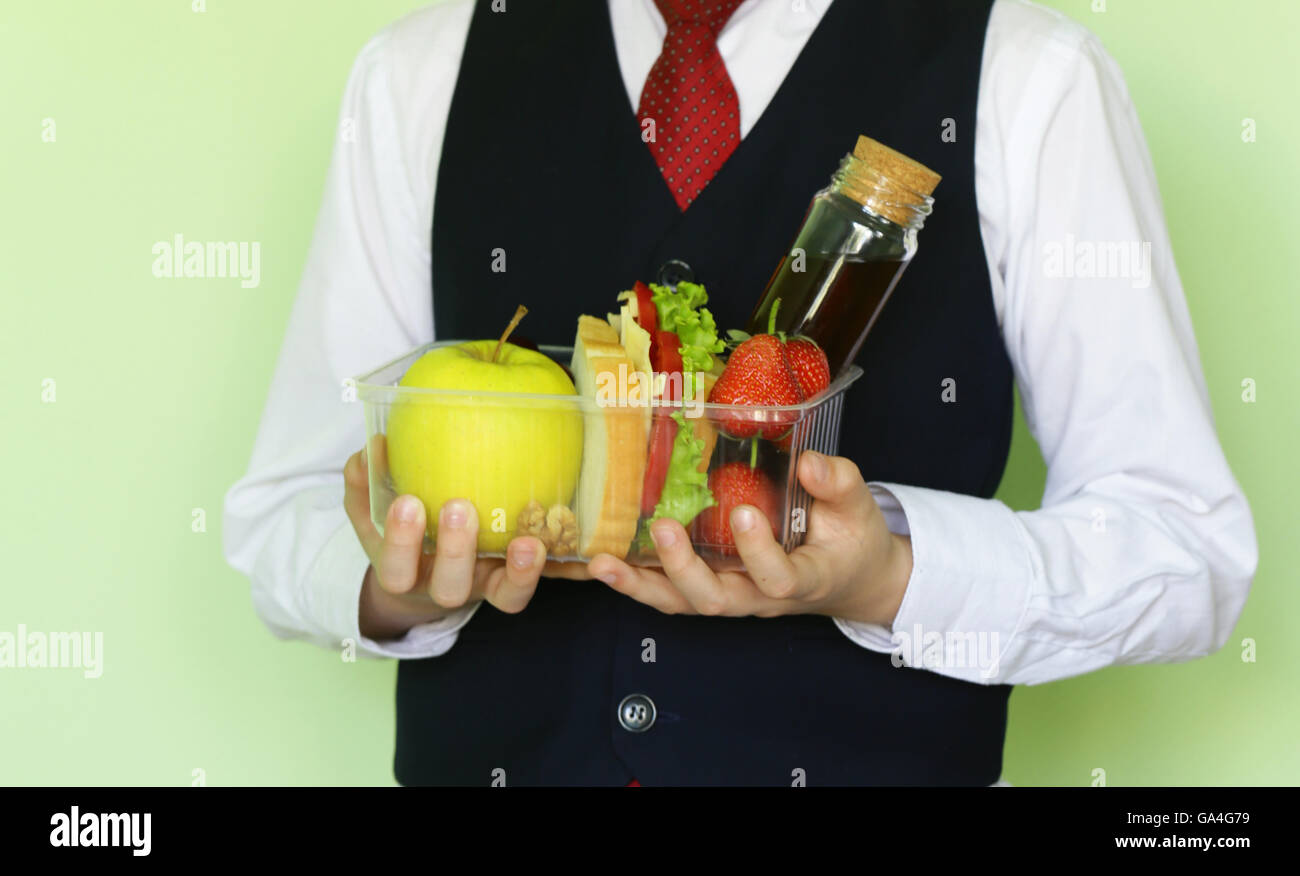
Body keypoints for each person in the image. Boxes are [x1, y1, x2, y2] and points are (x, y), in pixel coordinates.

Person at [223, 0, 1257, 786]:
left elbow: (1183, 549)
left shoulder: (1031, 75)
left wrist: (889, 575)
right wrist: (395, 592)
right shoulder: (419, 71)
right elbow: (287, 517)